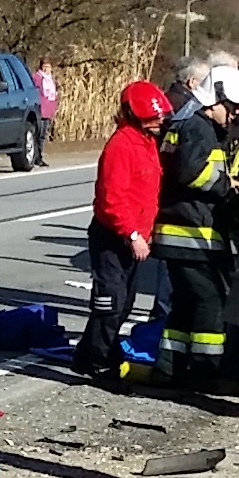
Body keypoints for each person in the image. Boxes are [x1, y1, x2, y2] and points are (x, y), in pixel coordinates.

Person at [150, 68, 239, 389]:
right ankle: (205, 371)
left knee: (184, 304)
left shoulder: (189, 124)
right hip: (191, 235)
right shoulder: (198, 128)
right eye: (231, 109)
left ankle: (169, 369)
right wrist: (227, 185)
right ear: (214, 100)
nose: (232, 117)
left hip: (183, 231)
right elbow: (191, 173)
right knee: (210, 302)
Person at [75, 78, 167, 378]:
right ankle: (98, 360)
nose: (159, 121)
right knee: (110, 302)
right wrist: (133, 234)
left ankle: (89, 353)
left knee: (124, 301)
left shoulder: (147, 143)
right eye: (154, 117)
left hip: (131, 235)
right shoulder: (122, 146)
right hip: (113, 236)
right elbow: (111, 199)